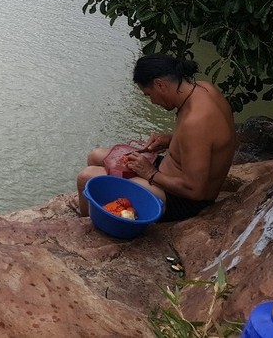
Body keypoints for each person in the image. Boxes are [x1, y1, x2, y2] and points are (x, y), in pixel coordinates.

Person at [76, 53, 237, 221]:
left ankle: (91, 226)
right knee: (95, 155)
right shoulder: (204, 89)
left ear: (160, 85)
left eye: (148, 94)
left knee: (86, 177)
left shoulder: (195, 122)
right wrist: (171, 140)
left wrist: (150, 173)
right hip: (171, 174)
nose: (152, 102)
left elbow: (195, 191)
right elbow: (210, 138)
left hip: (182, 200)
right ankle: (103, 209)